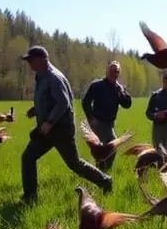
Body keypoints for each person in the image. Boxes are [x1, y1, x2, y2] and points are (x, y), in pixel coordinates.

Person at [20, 45, 112, 203]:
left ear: (42, 60)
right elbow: (50, 99)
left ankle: (105, 181)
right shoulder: (41, 76)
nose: (29, 64)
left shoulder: (54, 77)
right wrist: (36, 109)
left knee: (74, 164)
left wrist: (49, 122)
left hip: (61, 130)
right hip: (46, 130)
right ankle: (30, 197)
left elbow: (63, 103)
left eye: (31, 60)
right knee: (28, 157)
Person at [81, 61, 133, 171]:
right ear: (107, 72)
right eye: (112, 71)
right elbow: (86, 101)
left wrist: (124, 94)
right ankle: (101, 171)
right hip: (98, 123)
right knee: (109, 148)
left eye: (117, 71)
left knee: (105, 151)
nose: (114, 73)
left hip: (109, 124)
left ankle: (100, 171)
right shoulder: (97, 85)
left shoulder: (118, 88)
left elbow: (127, 105)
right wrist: (91, 118)